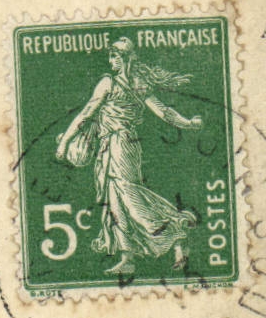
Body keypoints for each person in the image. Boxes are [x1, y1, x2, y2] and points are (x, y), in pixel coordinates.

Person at [55, 35, 204, 275]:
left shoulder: (113, 83)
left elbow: (86, 114)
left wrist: (64, 145)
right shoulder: (136, 83)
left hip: (120, 144)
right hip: (117, 145)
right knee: (116, 201)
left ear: (122, 58)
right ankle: (128, 257)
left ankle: (176, 229)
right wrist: (188, 123)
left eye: (114, 57)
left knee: (129, 195)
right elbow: (164, 112)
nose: (111, 61)